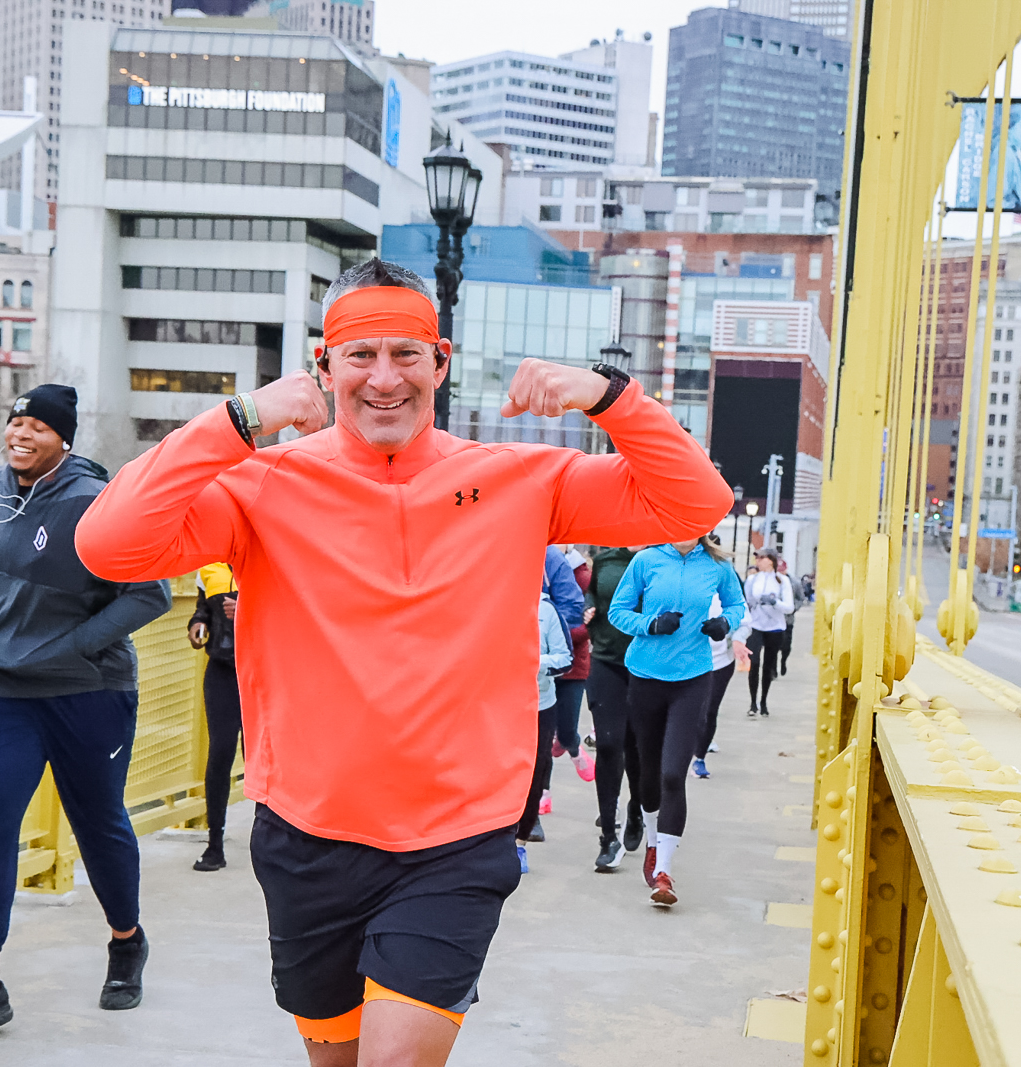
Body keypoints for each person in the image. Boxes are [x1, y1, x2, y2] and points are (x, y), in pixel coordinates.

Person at [73, 257, 732, 1066]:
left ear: (440, 361)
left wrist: (607, 396)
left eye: (405, 354)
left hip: (455, 838)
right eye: (360, 355)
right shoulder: (261, 484)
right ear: (324, 367)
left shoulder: (519, 479)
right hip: (307, 834)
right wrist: (238, 419)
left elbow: (695, 503)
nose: (384, 379)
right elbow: (106, 544)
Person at [0, 385, 173, 1041]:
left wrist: (70, 644)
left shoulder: (97, 501)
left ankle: (126, 940)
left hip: (84, 689)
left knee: (97, 822)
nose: (22, 433)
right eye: (16, 421)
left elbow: (151, 594)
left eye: (37, 424)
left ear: (63, 438)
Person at [609, 538, 744, 907]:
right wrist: (651, 624)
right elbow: (617, 611)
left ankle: (664, 873)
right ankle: (653, 841)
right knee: (648, 775)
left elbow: (737, 604)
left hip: (694, 677)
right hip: (646, 675)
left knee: (673, 774)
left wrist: (724, 624)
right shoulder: (647, 560)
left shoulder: (717, 565)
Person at [583, 543, 646, 873]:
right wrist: (589, 608)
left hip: (646, 665)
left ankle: (637, 807)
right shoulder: (606, 559)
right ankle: (609, 836)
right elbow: (592, 592)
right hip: (605, 660)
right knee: (608, 743)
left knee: (635, 747)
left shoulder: (660, 559)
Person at [188, 561, 243, 872]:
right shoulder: (208, 567)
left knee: (261, 756)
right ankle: (214, 845)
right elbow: (202, 609)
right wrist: (198, 624)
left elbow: (293, 607)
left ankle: (275, 840)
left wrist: (247, 607)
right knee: (220, 753)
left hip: (261, 670)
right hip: (221, 670)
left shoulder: (269, 555)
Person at [516, 592, 573, 874]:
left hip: (540, 704)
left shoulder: (546, 609)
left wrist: (533, 662)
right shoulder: (489, 600)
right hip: (496, 704)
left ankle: (519, 842)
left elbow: (565, 659)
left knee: (534, 772)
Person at [535, 545, 592, 826]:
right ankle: (543, 794)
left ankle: (573, 746)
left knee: (566, 731)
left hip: (570, 665)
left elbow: (585, 623)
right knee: (541, 742)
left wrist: (551, 633)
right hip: (538, 672)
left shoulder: (582, 574)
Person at [693, 536, 751, 780]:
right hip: (683, 658)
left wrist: (738, 639)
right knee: (687, 710)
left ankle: (699, 757)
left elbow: (743, 614)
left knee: (708, 711)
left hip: (719, 660)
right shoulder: (676, 578)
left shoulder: (725, 575)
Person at [743, 549, 794, 717]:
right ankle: (752, 702)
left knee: (768, 666)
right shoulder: (752, 579)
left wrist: (774, 602)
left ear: (771, 561)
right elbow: (747, 602)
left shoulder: (782, 581)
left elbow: (789, 607)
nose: (758, 560)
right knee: (754, 663)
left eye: (762, 558)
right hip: (756, 625)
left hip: (775, 627)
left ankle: (763, 701)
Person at [776, 557, 803, 678]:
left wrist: (793, 608)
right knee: (774, 645)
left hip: (788, 619)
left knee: (786, 645)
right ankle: (772, 668)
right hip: (775, 619)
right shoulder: (772, 581)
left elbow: (800, 598)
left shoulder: (794, 582)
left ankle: (783, 662)